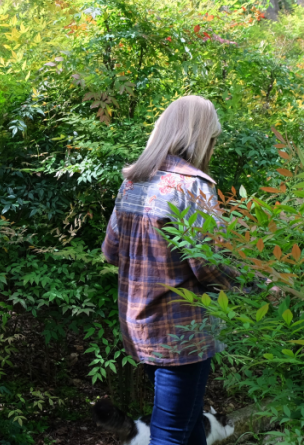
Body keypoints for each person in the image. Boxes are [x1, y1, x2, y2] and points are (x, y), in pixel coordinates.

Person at [102, 95, 241, 445]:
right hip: (181, 336)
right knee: (170, 436)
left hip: (139, 328)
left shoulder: (133, 182)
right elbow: (212, 266)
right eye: (213, 139)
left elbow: (110, 251)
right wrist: (258, 285)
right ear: (201, 137)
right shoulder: (192, 187)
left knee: (188, 425)